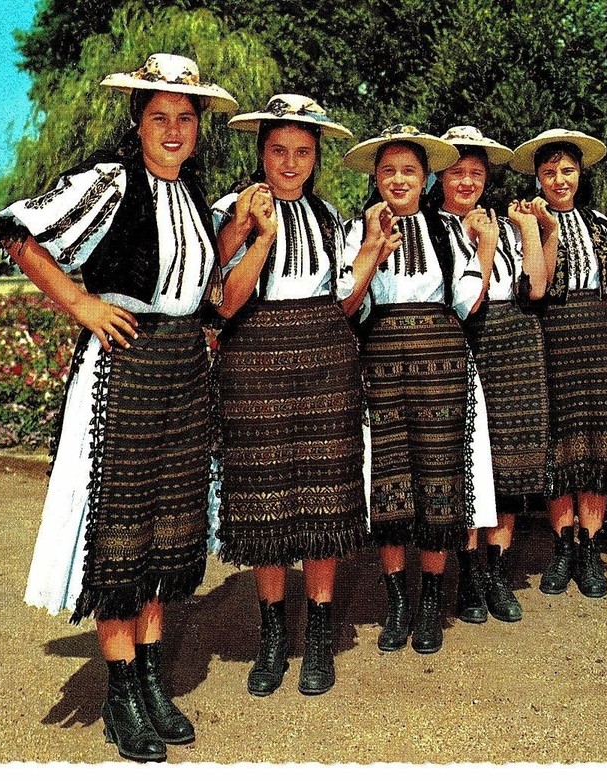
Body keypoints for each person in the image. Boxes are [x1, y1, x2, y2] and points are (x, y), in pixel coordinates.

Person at [0, 54, 237, 762]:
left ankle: (151, 678)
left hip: (184, 372)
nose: (174, 130)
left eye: (185, 119)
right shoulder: (110, 181)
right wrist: (80, 302)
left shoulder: (191, 192)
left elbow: (203, 287)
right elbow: (16, 231)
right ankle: (119, 690)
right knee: (120, 533)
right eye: (160, 116)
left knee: (168, 532)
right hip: (122, 369)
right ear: (138, 121)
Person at [210, 94, 368, 697]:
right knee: (265, 499)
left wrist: (372, 254)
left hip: (325, 358)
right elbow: (225, 302)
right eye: (279, 150)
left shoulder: (332, 216)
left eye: (303, 152)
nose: (291, 163)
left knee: (325, 497)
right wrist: (258, 236)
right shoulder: (234, 210)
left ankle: (320, 636)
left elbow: (344, 300)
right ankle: (273, 636)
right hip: (256, 360)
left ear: (316, 156)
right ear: (261, 152)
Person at [340, 124, 489, 654]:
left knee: (438, 478)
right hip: (381, 365)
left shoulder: (447, 232)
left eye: (409, 170)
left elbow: (470, 300)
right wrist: (371, 252)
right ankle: (396, 599)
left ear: (426, 177)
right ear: (376, 179)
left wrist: (487, 250)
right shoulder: (356, 232)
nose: (399, 180)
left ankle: (430, 601)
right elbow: (344, 302)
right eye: (388, 171)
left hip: (442, 365)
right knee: (389, 479)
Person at [433, 126, 557, 623]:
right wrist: (480, 247)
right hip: (467, 338)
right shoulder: (432, 227)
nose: (466, 182)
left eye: (476, 173)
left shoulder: (503, 225)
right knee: (469, 463)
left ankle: (496, 573)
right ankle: (467, 574)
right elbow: (461, 302)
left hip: (516, 342)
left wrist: (530, 230)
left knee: (508, 466)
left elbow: (537, 290)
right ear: (440, 177)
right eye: (457, 172)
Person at [509, 128, 607, 599]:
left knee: (597, 444)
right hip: (554, 335)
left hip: (602, 336)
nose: (559, 180)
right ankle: (562, 545)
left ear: (580, 174)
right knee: (559, 444)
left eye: (567, 171)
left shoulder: (602, 224)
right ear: (539, 179)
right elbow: (532, 287)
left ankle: (589, 547)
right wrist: (543, 230)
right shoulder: (527, 222)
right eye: (549, 173)